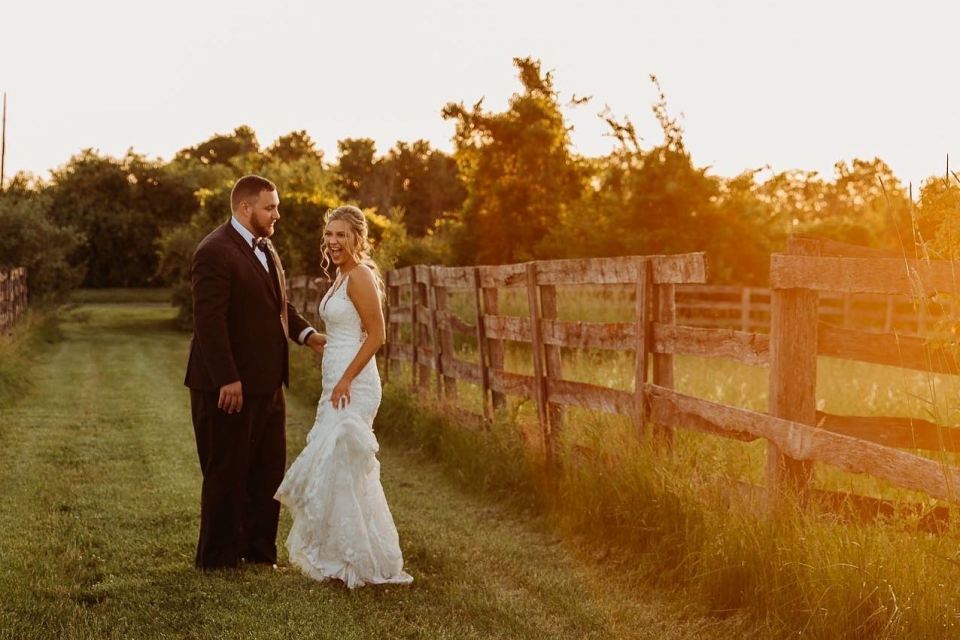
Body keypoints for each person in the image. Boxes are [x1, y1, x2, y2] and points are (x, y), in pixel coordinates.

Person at [184, 175, 326, 570]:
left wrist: (308, 334)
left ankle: (260, 553)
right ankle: (217, 558)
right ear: (246, 208)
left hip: (268, 383)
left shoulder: (266, 248)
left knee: (267, 472)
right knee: (226, 470)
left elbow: (279, 305)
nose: (277, 214)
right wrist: (228, 377)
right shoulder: (214, 251)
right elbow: (208, 322)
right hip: (226, 385)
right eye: (270, 207)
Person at [274, 205, 413, 588]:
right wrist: (322, 346)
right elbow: (346, 330)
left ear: (357, 238)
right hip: (335, 378)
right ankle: (337, 552)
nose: (333, 242)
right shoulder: (341, 275)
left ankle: (364, 560)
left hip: (355, 385)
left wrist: (347, 378)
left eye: (341, 235)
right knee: (336, 467)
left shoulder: (361, 276)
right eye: (329, 235)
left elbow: (377, 335)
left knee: (345, 463)